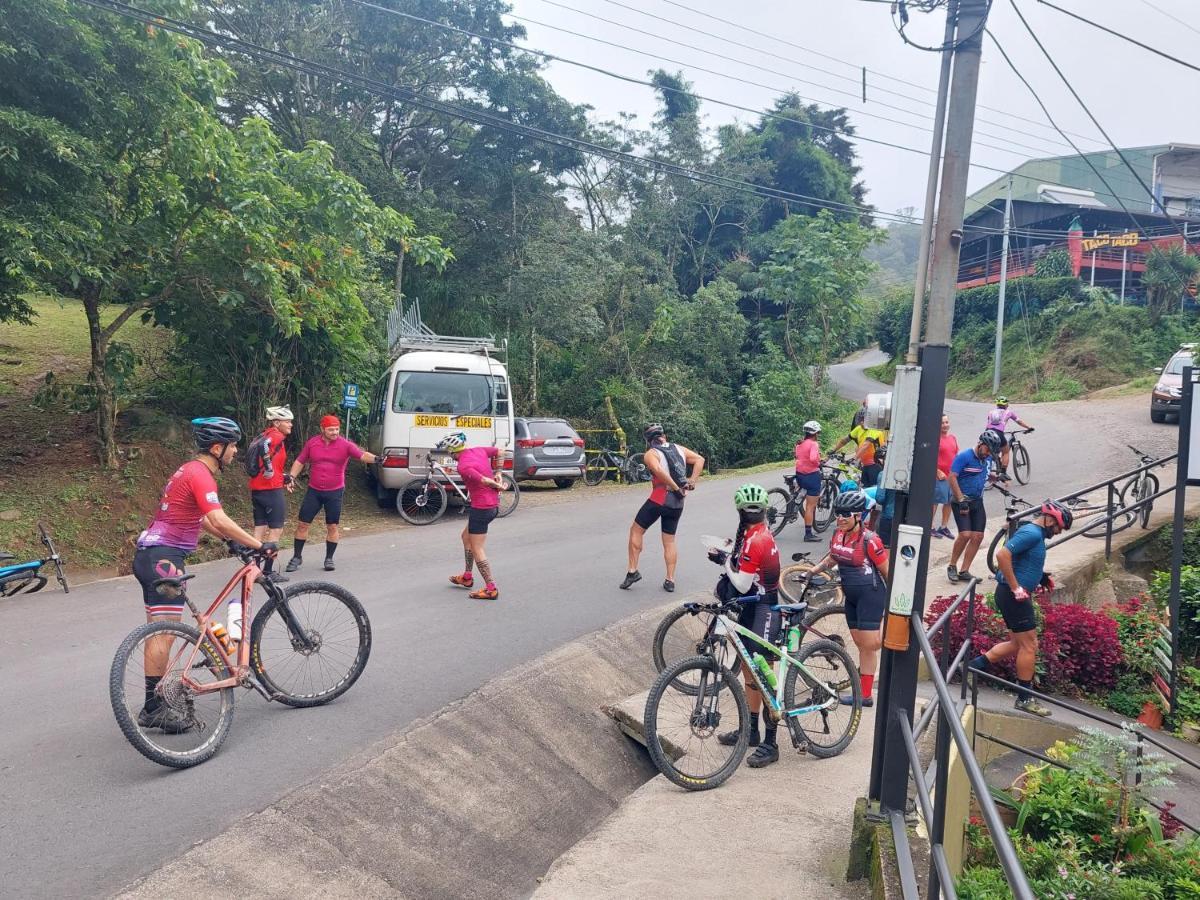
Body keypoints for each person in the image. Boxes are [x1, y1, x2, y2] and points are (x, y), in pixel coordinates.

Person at [132, 417, 273, 732]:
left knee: (160, 633)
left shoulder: (188, 470)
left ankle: (153, 703)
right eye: (233, 446)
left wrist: (230, 541)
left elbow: (200, 519)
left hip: (152, 555)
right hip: (163, 558)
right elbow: (217, 517)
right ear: (217, 447)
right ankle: (153, 708)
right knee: (163, 634)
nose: (236, 451)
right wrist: (258, 544)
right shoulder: (201, 475)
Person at [969, 500, 1072, 717]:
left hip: (1012, 594)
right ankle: (1024, 699)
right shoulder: (1032, 533)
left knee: (1017, 643)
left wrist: (1040, 578)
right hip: (1013, 595)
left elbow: (1023, 561)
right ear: (1049, 519)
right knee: (1030, 645)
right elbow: (1002, 555)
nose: (1057, 532)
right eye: (1057, 527)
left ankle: (972, 667)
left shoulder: (1037, 535)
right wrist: (1016, 588)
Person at [712, 484, 783, 768]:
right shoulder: (752, 535)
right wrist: (730, 554)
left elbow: (741, 582)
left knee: (763, 675)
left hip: (765, 608)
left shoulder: (758, 539)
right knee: (748, 672)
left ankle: (772, 741)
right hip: (752, 606)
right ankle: (751, 731)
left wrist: (723, 560)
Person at [806, 489, 889, 707]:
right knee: (861, 645)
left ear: (858, 516)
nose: (840, 518)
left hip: (870, 595)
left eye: (846, 514)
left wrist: (895, 606)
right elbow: (833, 557)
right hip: (851, 596)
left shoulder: (871, 540)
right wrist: (811, 572)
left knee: (870, 645)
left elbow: (888, 572)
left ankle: (896, 638)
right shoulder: (838, 534)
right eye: (838, 513)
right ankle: (865, 695)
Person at [284, 414, 377, 573]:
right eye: (331, 429)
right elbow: (300, 460)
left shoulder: (345, 445)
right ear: (322, 429)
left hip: (334, 492)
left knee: (332, 526)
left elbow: (362, 455)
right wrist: (291, 476)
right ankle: (297, 557)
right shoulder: (312, 443)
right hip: (314, 490)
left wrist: (378, 459)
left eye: (337, 429)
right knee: (303, 523)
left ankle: (329, 558)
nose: (335, 432)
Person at [621, 424, 705, 592]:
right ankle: (670, 580)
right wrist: (692, 481)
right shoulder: (678, 448)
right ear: (663, 436)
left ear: (648, 440)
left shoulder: (650, 454)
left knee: (636, 530)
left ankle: (632, 571)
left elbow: (658, 470)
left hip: (659, 498)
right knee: (669, 541)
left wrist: (673, 486)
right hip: (677, 502)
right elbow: (700, 459)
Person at [442, 431, 508, 600]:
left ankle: (491, 588)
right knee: (465, 537)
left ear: (452, 451)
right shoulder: (478, 450)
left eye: (449, 451)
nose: (449, 454)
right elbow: (500, 451)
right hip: (489, 505)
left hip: (483, 508)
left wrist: (497, 484)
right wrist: (499, 473)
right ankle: (467, 577)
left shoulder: (463, 465)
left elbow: (484, 481)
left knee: (477, 547)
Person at [946, 430, 1003, 583]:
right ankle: (952, 566)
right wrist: (960, 498)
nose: (988, 454)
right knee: (965, 535)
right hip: (961, 501)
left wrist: (996, 477)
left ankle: (964, 570)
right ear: (980, 444)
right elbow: (951, 477)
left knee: (978, 536)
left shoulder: (988, 457)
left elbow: (983, 473)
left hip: (977, 501)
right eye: (987, 450)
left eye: (991, 452)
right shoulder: (964, 456)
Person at [248, 405, 295, 583]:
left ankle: (254, 570)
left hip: (258, 490)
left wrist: (281, 476)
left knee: (259, 530)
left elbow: (272, 462)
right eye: (287, 421)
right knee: (276, 531)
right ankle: (268, 572)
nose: (290, 424)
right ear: (277, 422)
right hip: (271, 492)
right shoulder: (275, 436)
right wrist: (268, 469)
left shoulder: (265, 433)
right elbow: (264, 447)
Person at [983, 396, 1033, 481]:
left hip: (987, 433)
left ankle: (993, 461)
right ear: (1006, 404)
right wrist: (1028, 427)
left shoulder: (991, 412)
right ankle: (1003, 472)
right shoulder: (1009, 412)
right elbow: (1019, 421)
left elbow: (989, 423)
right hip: (999, 433)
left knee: (991, 450)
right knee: (1005, 451)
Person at [830, 416, 887, 487]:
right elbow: (844, 441)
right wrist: (833, 451)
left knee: (873, 489)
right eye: (861, 422)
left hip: (876, 464)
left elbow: (866, 445)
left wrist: (854, 458)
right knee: (864, 489)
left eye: (865, 421)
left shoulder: (874, 429)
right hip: (865, 465)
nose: (863, 423)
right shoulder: (859, 429)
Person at [793, 420, 823, 543]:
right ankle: (808, 534)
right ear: (815, 433)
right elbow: (813, 458)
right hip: (812, 476)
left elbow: (798, 457)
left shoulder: (799, 444)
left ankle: (795, 505)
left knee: (804, 497)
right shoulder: (813, 444)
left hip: (800, 475)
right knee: (810, 506)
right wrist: (819, 463)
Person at [933, 414, 959, 539]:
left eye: (946, 422)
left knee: (949, 502)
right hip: (939, 477)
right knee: (935, 502)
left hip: (951, 476)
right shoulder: (935, 439)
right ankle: (929, 527)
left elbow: (956, 455)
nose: (945, 425)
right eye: (942, 423)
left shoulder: (952, 438)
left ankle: (943, 527)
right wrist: (937, 471)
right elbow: (930, 457)